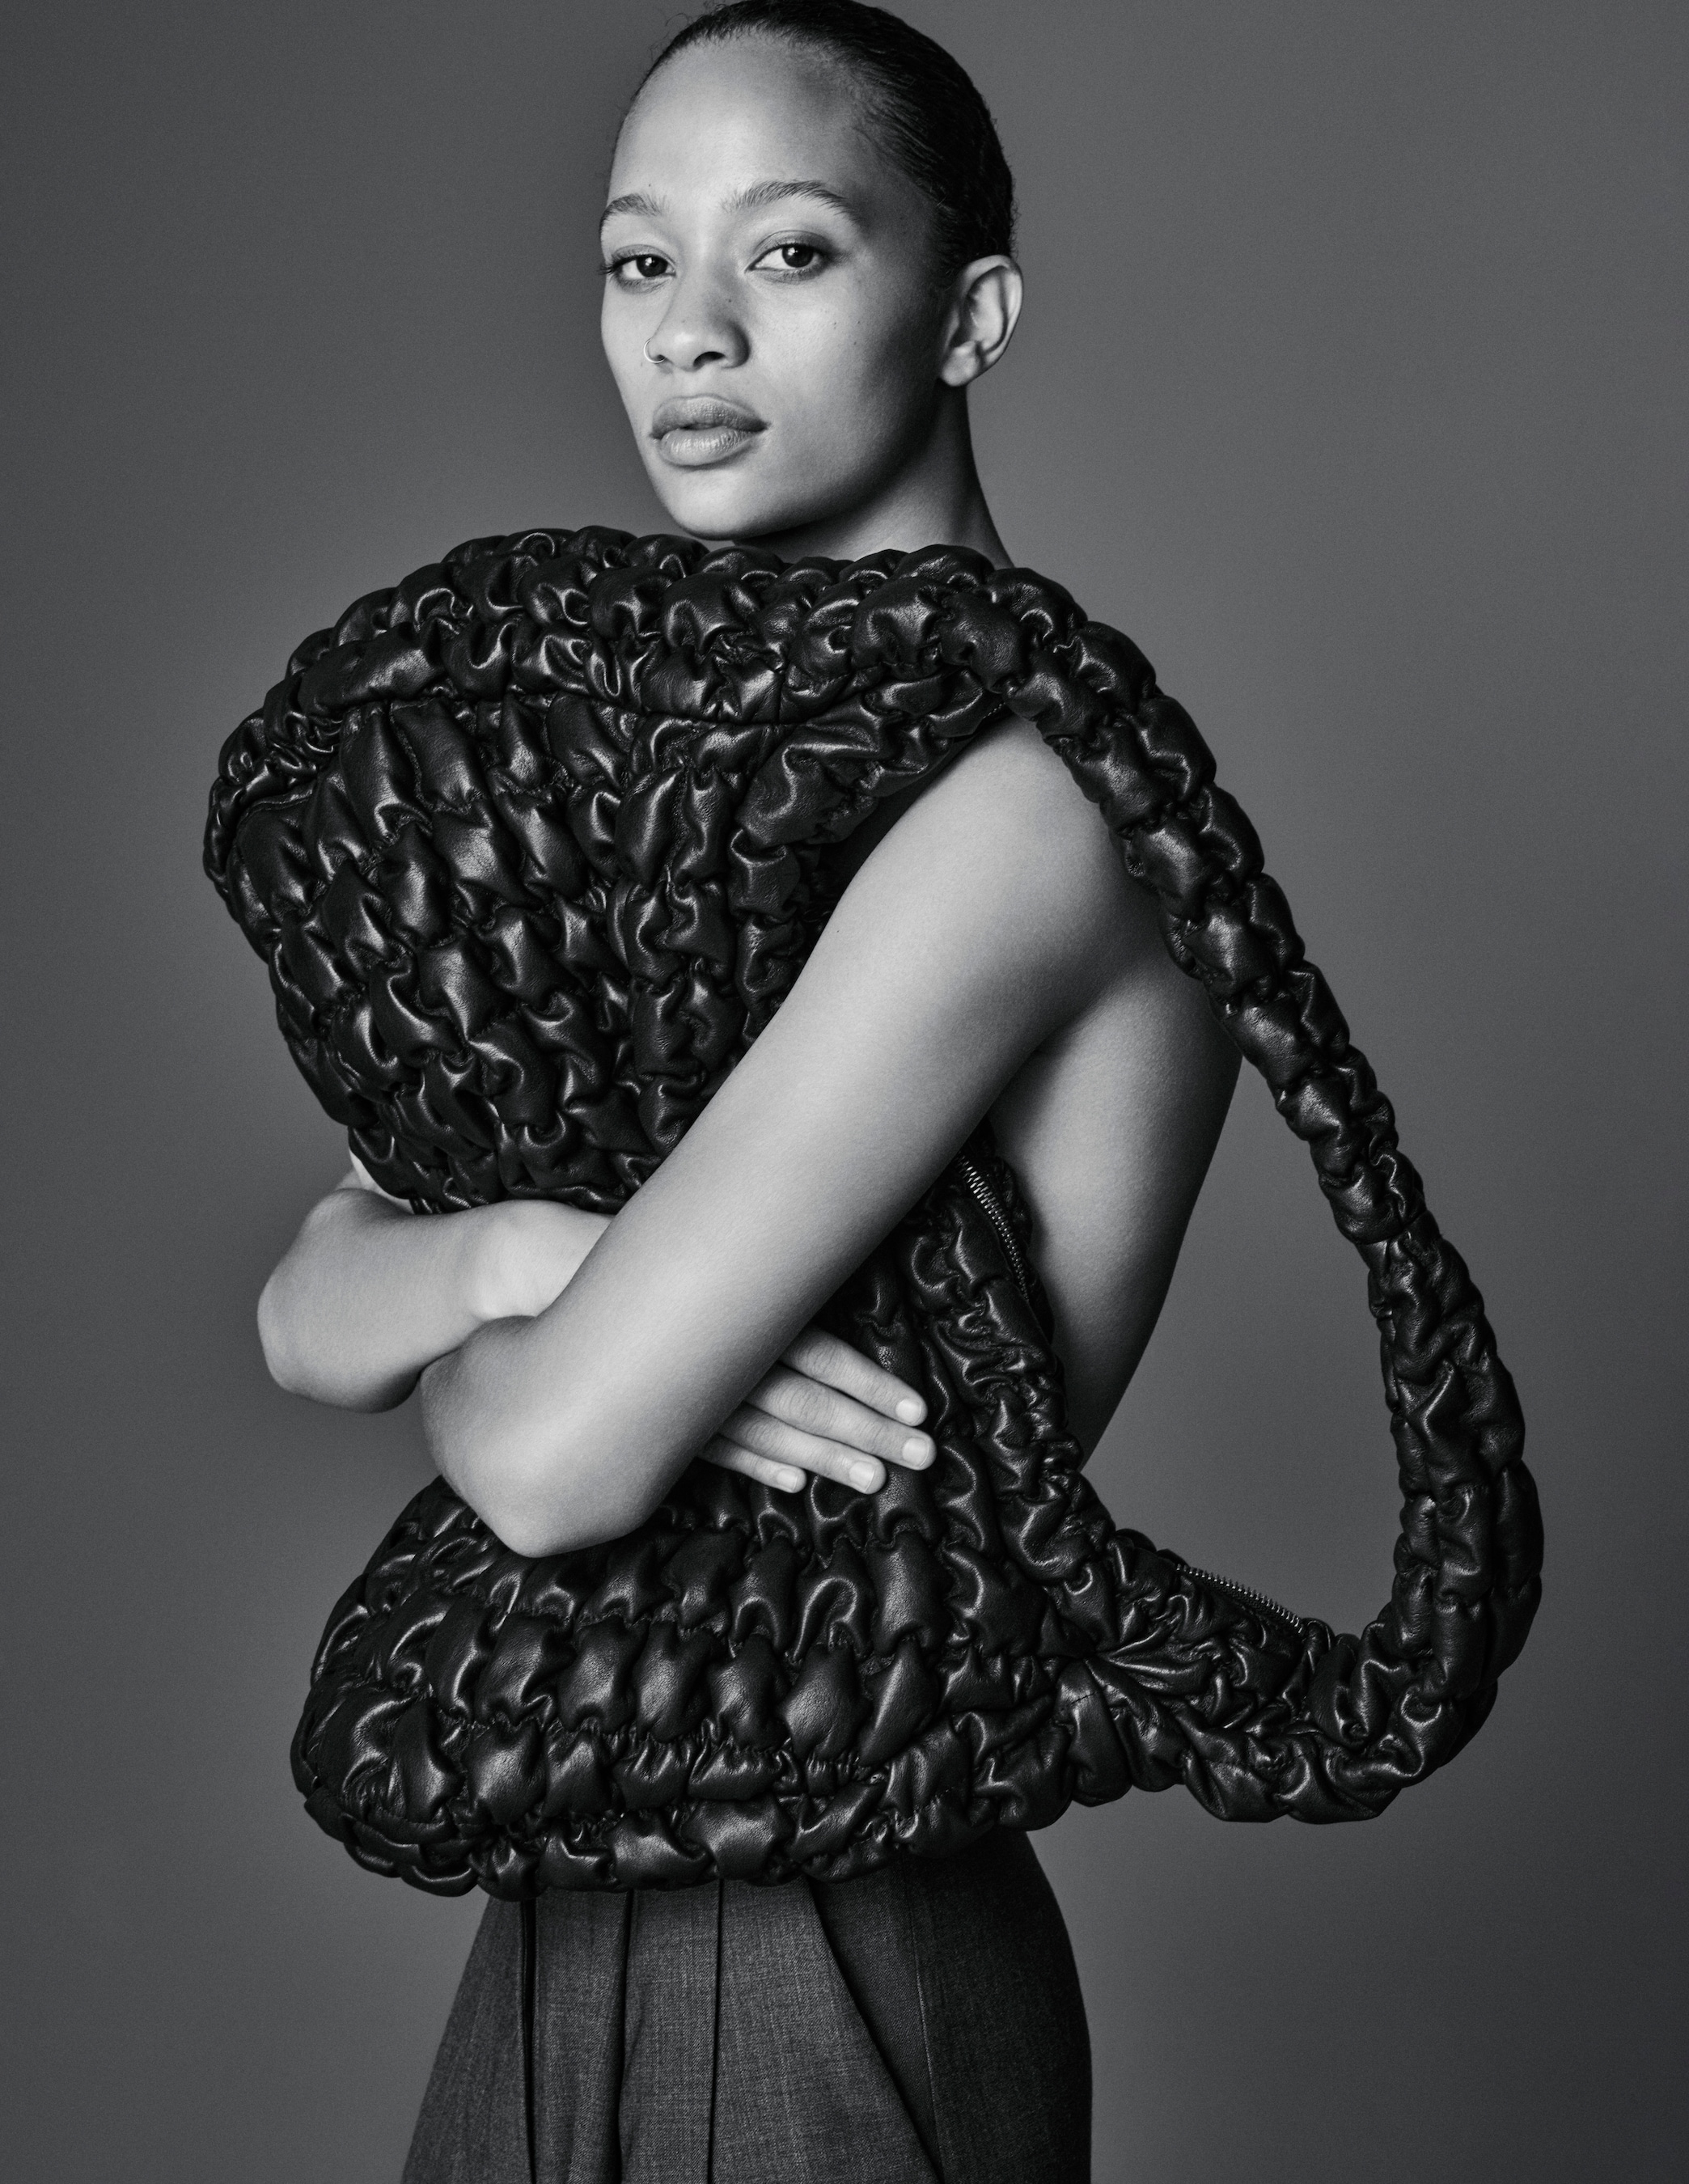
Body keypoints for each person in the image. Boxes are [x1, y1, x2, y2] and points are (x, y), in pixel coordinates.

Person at [256, 5, 1238, 2178]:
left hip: (823, 1916)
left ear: (969, 310)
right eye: (635, 264)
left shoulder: (1027, 806)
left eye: (788, 253)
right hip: (565, 1890)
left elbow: (550, 1465)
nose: (690, 335)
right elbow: (296, 1307)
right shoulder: (663, 794)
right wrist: (539, 1258)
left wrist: (515, 1332)